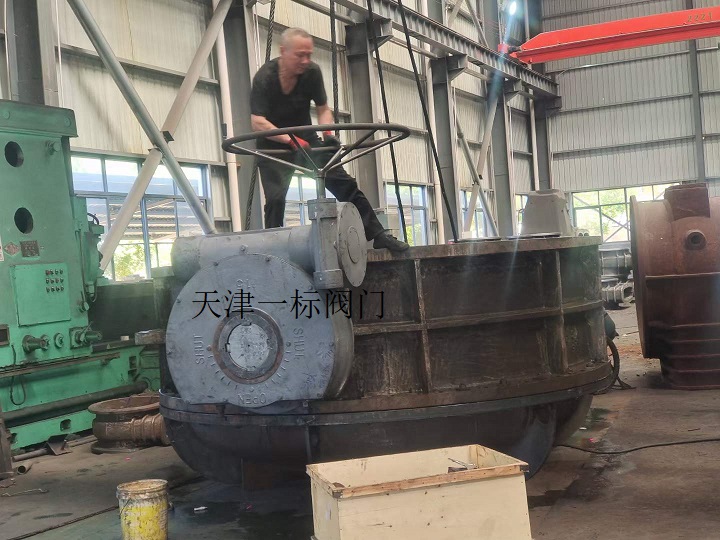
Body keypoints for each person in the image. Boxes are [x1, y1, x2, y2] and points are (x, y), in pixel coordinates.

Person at [249, 27, 409, 252]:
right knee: (275, 199)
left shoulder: (312, 73)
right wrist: (290, 140)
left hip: (307, 142)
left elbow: (323, 109)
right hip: (274, 146)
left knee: (345, 184)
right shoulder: (265, 77)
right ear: (283, 51)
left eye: (309, 55)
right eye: (300, 55)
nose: (306, 61)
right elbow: (258, 122)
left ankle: (378, 234)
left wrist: (328, 135)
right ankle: (274, 249)